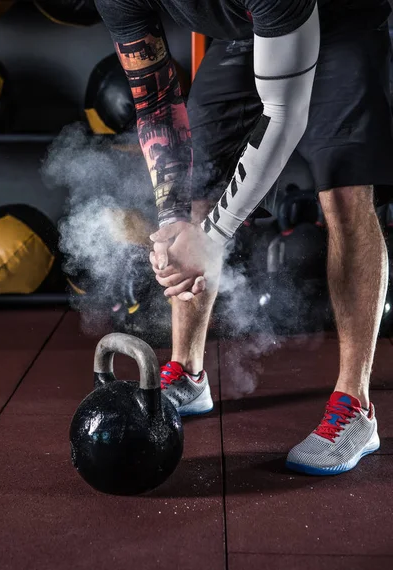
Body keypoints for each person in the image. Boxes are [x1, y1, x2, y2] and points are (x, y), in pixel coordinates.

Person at [94, 0, 393, 475]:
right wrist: (174, 221)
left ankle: (355, 407)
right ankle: (188, 374)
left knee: (343, 193)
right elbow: (156, 103)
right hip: (247, 32)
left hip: (340, 20)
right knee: (195, 187)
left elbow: (284, 114)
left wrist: (212, 239)